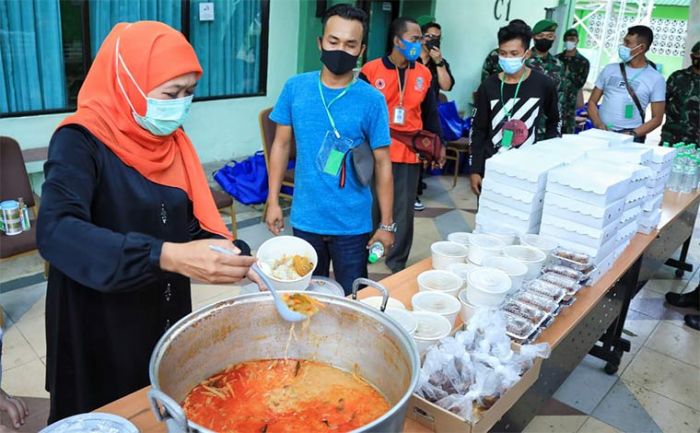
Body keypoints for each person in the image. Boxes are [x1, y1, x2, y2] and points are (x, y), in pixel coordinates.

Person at [36, 21, 260, 422]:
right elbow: (56, 231)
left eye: (189, 93)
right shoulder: (79, 140)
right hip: (99, 320)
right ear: (128, 82)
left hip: (162, 312)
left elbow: (185, 223)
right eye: (171, 93)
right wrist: (165, 256)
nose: (180, 105)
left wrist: (239, 257)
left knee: (159, 408)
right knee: (108, 415)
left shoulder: (170, 141)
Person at [266, 4, 395, 295]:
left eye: (350, 44)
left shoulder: (371, 99)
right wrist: (272, 199)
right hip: (306, 218)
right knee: (306, 296)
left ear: (361, 50)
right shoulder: (295, 88)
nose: (340, 50)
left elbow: (384, 164)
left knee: (353, 298)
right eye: (333, 41)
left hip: (352, 223)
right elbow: (281, 144)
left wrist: (387, 225)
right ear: (320, 42)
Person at [360, 17, 444, 273]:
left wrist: (437, 145)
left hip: (409, 150)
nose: (420, 44)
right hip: (376, 150)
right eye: (415, 39)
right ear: (397, 40)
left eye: (422, 40)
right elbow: (360, 113)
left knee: (403, 209)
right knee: (372, 204)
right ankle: (371, 249)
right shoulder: (371, 70)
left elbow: (430, 113)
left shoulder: (424, 73)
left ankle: (397, 261)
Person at [470, 21, 561, 196]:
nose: (507, 58)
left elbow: (555, 120)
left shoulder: (543, 84)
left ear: (526, 53)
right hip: (492, 165)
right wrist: (475, 169)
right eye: (503, 53)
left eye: (514, 54)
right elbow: (478, 130)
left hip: (528, 169)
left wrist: (549, 155)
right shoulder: (488, 86)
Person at [587, 25, 665, 143]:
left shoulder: (656, 78)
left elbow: (657, 118)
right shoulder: (609, 69)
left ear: (641, 48)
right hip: (601, 133)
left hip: (631, 137)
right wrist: (598, 123)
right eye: (623, 42)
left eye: (627, 43)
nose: (623, 47)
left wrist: (631, 134)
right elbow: (592, 102)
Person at [415, 20, 455, 212]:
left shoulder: (439, 62)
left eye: (437, 38)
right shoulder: (411, 58)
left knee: (426, 151)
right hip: (411, 112)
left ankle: (416, 189)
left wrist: (438, 61)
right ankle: (411, 192)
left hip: (430, 114)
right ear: (421, 37)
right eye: (429, 36)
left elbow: (447, 86)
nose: (433, 40)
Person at [526, 19, 564, 136]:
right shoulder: (523, 60)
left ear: (554, 38)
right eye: (541, 35)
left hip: (546, 126)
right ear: (534, 37)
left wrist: (557, 127)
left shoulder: (558, 64)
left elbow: (560, 98)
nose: (545, 39)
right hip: (522, 122)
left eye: (549, 36)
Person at [660, 41, 700, 145]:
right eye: (698, 54)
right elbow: (660, 101)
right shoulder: (677, 77)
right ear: (692, 56)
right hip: (672, 137)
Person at [555, 28, 590, 134]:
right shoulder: (556, 59)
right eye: (567, 39)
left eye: (572, 39)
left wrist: (580, 107)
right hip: (555, 102)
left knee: (567, 134)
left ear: (577, 40)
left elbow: (580, 85)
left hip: (570, 106)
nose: (570, 42)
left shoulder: (583, 62)